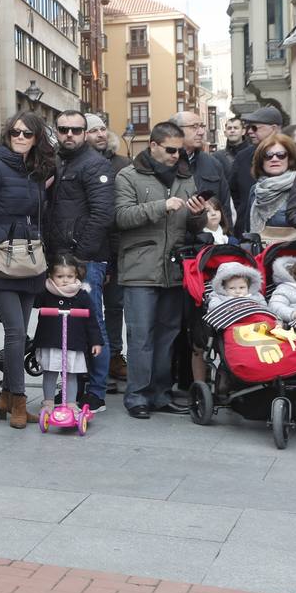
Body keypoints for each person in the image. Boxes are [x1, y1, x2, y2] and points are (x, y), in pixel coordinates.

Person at [114, 120, 202, 419]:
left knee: (167, 335)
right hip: (140, 268)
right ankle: (137, 396)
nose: (176, 155)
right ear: (152, 145)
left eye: (180, 150)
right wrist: (161, 206)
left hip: (174, 269)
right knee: (141, 336)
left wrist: (198, 216)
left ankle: (161, 394)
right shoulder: (128, 175)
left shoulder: (185, 176)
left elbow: (191, 226)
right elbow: (121, 217)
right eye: (170, 150)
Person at [0, 111, 54, 429]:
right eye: (15, 133)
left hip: (29, 261)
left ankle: (7, 397)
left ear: (37, 139)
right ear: (7, 136)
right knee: (16, 332)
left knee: (21, 334)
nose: (20, 138)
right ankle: (20, 401)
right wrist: (0, 238)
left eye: (27, 134)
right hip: (1, 261)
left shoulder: (37, 172)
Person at [44, 110, 114, 412]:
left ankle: (95, 392)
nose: (69, 135)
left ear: (85, 133)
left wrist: (81, 257)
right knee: (68, 327)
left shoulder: (95, 164)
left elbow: (102, 215)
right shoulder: (58, 163)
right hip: (61, 259)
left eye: (75, 130)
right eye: (63, 129)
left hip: (84, 260)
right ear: (56, 132)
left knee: (92, 324)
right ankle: (76, 387)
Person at [86, 114, 132, 389]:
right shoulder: (73, 163)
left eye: (103, 128)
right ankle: (96, 362)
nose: (101, 134)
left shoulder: (123, 164)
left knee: (115, 306)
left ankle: (115, 355)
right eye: (94, 130)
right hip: (90, 250)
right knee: (93, 310)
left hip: (117, 246)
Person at [32, 254, 101, 414]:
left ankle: (70, 402)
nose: (65, 280)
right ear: (50, 276)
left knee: (70, 373)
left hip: (73, 342)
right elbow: (33, 303)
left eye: (69, 276)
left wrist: (96, 341)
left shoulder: (82, 295)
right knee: (49, 372)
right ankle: (48, 401)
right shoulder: (45, 292)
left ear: (76, 275)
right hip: (50, 340)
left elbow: (92, 320)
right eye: (60, 276)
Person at [232, 106, 283, 238]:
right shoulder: (242, 157)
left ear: (274, 129)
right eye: (248, 127)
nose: (249, 132)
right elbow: (234, 193)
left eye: (255, 128)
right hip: (249, 232)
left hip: (286, 233)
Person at [172, 110, 230, 210]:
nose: (201, 132)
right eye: (194, 127)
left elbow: (225, 207)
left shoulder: (213, 164)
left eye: (202, 126)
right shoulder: (163, 162)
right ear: (176, 130)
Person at [249, 134, 296, 242]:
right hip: (262, 254)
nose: (274, 159)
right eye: (268, 155)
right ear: (261, 161)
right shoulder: (256, 189)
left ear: (289, 158)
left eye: (281, 155)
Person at [214, 116, 245, 182]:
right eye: (229, 128)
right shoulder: (217, 157)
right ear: (225, 133)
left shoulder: (253, 153)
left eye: (236, 128)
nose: (232, 131)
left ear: (243, 131)